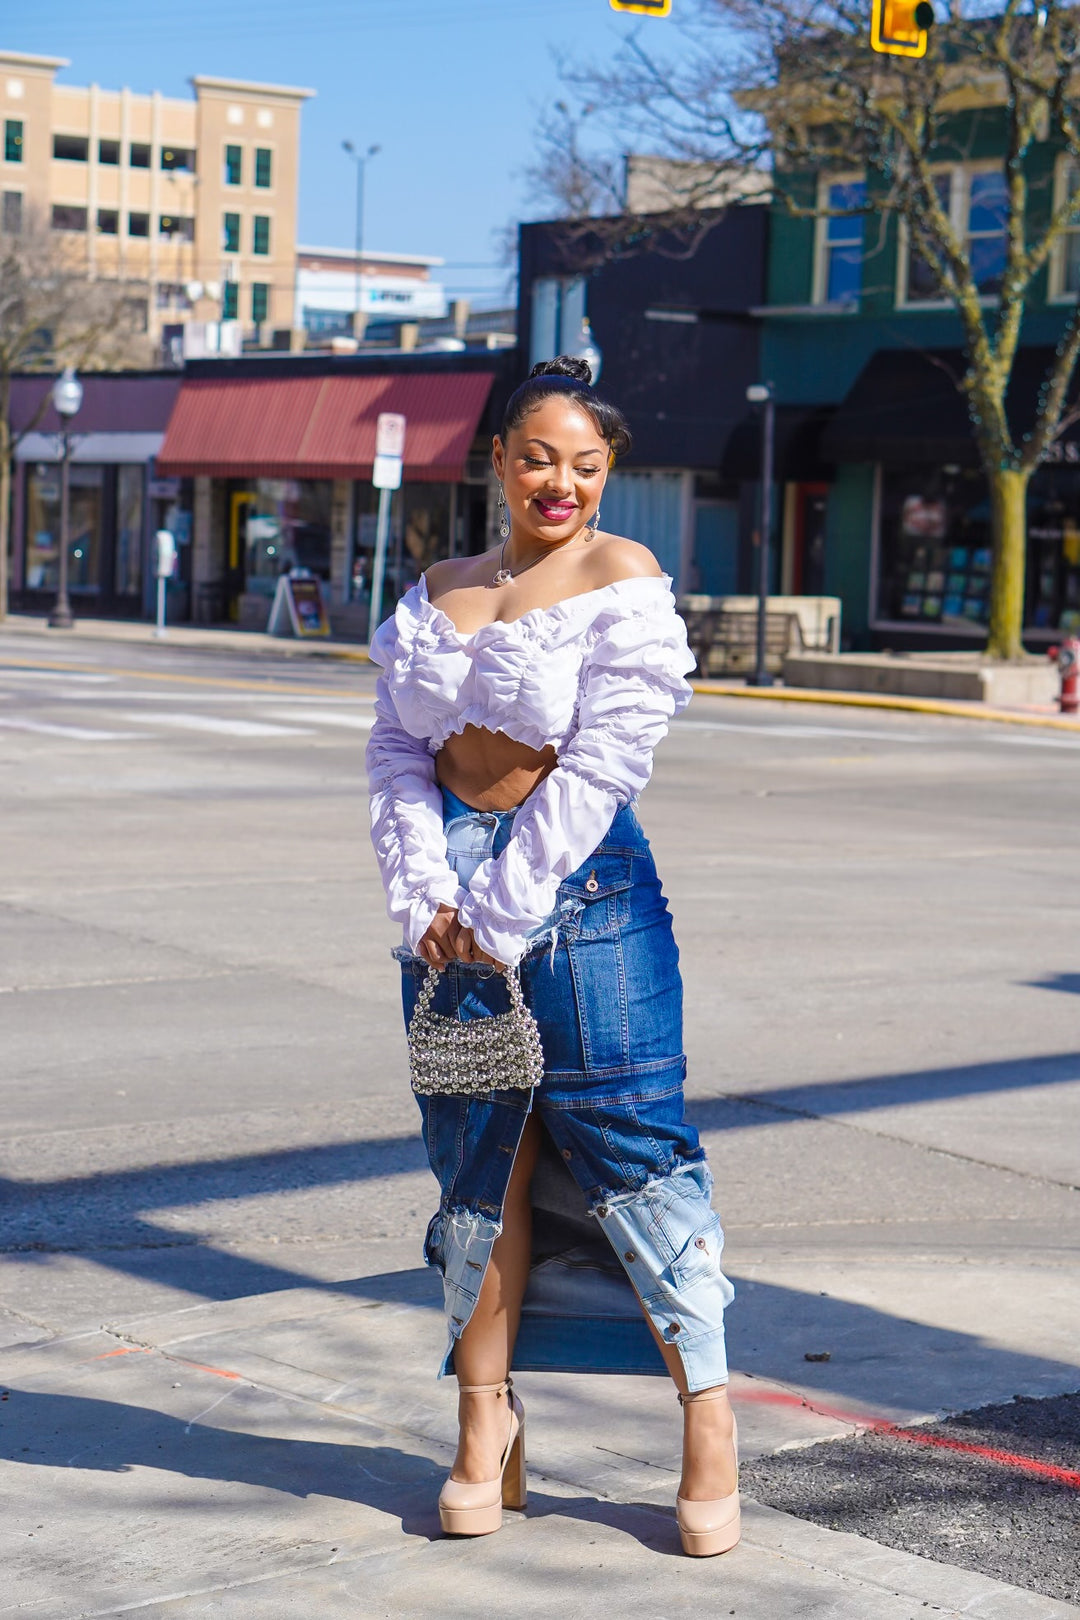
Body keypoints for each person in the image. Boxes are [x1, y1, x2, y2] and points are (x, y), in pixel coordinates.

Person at [366, 356, 738, 1558]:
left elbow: (605, 764)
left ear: (608, 473)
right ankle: (485, 1428)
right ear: (498, 462)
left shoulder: (619, 579)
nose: (561, 483)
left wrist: (503, 905)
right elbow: (395, 757)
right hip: (446, 915)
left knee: (634, 1144)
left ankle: (708, 1426)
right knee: (481, 1162)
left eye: (586, 464)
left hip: (586, 896)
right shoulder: (437, 589)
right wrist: (426, 893)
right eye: (539, 458)